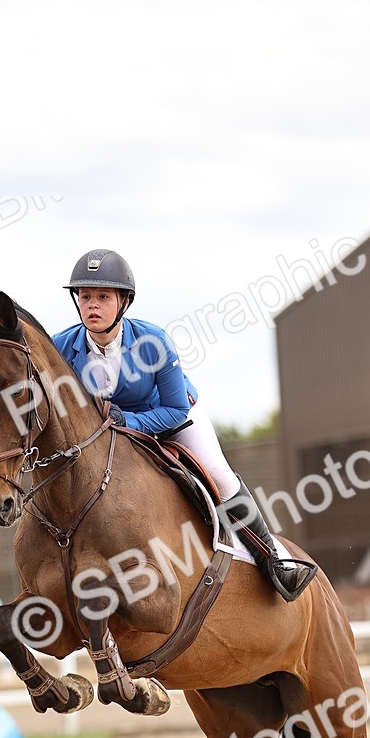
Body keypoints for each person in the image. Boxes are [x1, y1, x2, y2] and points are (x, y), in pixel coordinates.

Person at [52, 248, 316, 602]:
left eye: (102, 297)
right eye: (85, 297)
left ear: (124, 302)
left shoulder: (153, 341)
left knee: (220, 477)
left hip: (170, 421)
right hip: (109, 437)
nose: (92, 306)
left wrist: (126, 420)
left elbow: (176, 410)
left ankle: (274, 560)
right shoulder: (61, 348)